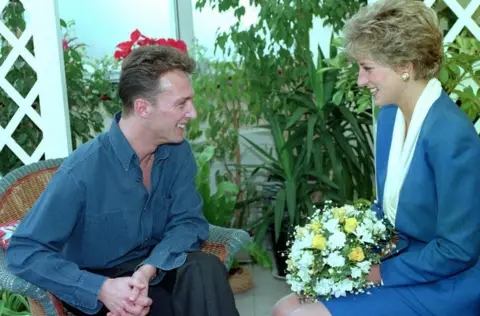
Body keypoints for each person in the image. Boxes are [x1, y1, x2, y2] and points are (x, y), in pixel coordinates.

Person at [272, 0, 480, 315]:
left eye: (367, 68)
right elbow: (388, 211)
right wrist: (341, 250)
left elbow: (457, 250)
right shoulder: (389, 118)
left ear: (405, 66)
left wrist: (380, 273)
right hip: (401, 260)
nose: (360, 80)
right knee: (283, 307)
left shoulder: (452, 137)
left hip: (448, 283)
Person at [6, 44, 240, 316]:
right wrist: (100, 288)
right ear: (143, 108)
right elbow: (24, 250)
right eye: (181, 104)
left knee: (205, 268)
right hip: (101, 283)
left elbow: (188, 222)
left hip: (156, 268)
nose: (192, 113)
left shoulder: (177, 153)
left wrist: (150, 267)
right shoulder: (81, 172)